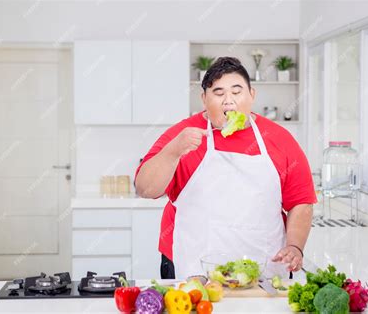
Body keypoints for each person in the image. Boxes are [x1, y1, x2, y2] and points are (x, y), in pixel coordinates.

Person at [135, 57, 316, 279]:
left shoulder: (280, 139)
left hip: (264, 268)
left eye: (237, 91)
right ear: (204, 99)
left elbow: (300, 202)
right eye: (218, 93)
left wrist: (295, 246)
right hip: (193, 266)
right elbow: (145, 189)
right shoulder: (182, 135)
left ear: (252, 94)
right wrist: (173, 151)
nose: (228, 101)